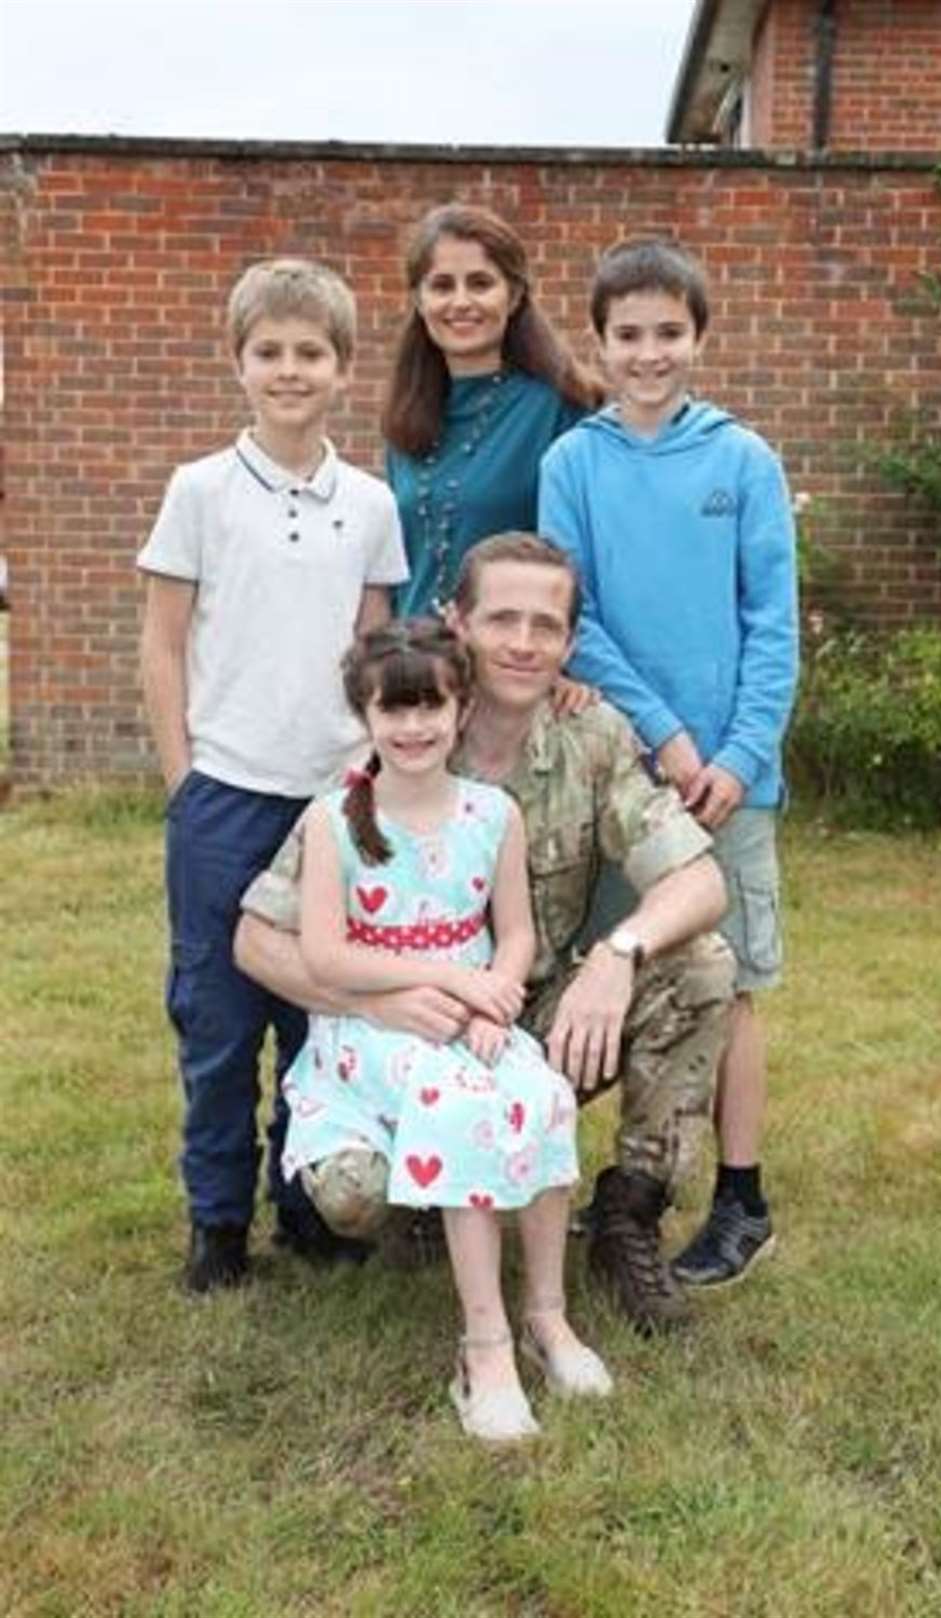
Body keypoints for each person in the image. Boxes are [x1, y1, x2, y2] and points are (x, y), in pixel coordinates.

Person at [235, 534, 735, 1334]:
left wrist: (616, 954)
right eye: (502, 618)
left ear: (572, 642)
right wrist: (381, 1006)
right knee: (352, 1198)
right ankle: (433, 1195)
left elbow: (701, 880)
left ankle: (626, 1220)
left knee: (702, 965)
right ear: (455, 621)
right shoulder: (403, 731)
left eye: (547, 625)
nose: (525, 643)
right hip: (414, 1034)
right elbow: (258, 940)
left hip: (531, 1024)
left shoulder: (592, 737)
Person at [137, 257, 408, 1294]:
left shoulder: (370, 503)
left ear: (342, 367)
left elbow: (371, 650)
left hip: (331, 803)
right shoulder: (200, 491)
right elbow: (164, 644)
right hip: (225, 793)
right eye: (269, 353)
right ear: (239, 364)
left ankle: (310, 1204)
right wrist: (183, 777)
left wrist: (364, 778)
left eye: (311, 352)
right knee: (217, 1015)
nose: (289, 370)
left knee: (321, 1011)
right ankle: (217, 1220)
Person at [538, 238, 799, 1291]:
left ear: (699, 335)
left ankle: (741, 1198)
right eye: (627, 335)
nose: (649, 353)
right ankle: (579, 1185)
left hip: (728, 781)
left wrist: (736, 752)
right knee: (605, 976)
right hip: (620, 771)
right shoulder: (575, 465)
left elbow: (771, 623)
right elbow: (575, 620)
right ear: (598, 342)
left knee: (726, 984)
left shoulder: (744, 461)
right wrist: (664, 734)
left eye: (669, 332)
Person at [281, 616, 611, 1442]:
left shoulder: (491, 814)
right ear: (365, 717)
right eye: (394, 711)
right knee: (463, 1107)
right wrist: (448, 980)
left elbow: (520, 933)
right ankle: (484, 1345)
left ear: (462, 708)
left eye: (432, 707)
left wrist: (496, 989)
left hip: (474, 1018)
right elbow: (325, 953)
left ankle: (546, 1315)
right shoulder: (332, 822)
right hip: (375, 1032)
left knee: (539, 1094)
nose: (415, 726)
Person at [383, 203, 598, 618]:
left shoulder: (562, 410)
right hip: (418, 669)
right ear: (418, 299)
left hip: (511, 666)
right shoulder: (405, 418)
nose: (460, 302)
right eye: (442, 286)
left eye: (480, 283)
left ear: (515, 295)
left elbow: (586, 563)